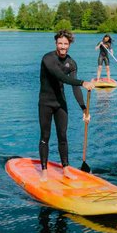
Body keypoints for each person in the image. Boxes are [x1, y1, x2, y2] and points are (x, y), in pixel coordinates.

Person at [39, 29, 94, 181]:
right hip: (45, 103)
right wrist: (83, 82)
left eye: (66, 44)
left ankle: (66, 168)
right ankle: (44, 170)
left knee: (63, 136)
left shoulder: (72, 63)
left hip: (60, 103)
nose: (63, 46)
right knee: (45, 136)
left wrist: (84, 109)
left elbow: (74, 88)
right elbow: (61, 77)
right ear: (56, 43)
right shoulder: (48, 59)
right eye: (60, 43)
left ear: (69, 45)